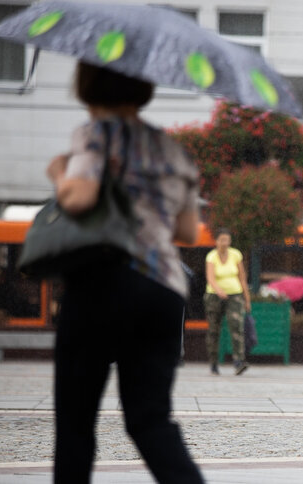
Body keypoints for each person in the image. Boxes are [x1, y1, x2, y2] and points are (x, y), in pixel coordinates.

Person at [47, 61, 204, 483]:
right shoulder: (173, 150)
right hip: (163, 292)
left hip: (103, 283)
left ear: (88, 85)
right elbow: (188, 230)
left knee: (76, 424)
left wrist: (61, 173)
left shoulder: (96, 134)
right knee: (151, 421)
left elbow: (78, 199)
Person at [204, 228, 252, 376]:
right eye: (221, 240)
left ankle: (239, 361)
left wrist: (247, 298)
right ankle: (213, 362)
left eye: (227, 240)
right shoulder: (211, 256)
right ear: (216, 241)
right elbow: (210, 278)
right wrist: (219, 291)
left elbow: (242, 277)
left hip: (235, 295)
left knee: (236, 326)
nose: (224, 243)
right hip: (214, 296)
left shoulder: (236, 254)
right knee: (214, 330)